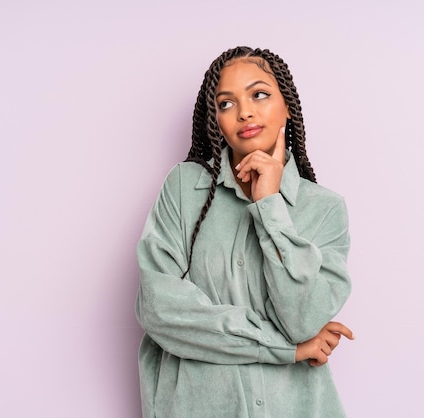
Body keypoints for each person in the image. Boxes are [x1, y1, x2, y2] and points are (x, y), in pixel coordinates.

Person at [135, 46, 354, 417]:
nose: (245, 112)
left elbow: (302, 322)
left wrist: (269, 206)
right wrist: (287, 349)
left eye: (260, 95)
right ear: (215, 118)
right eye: (226, 103)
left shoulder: (325, 209)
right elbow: (160, 310)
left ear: (287, 106)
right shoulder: (185, 188)